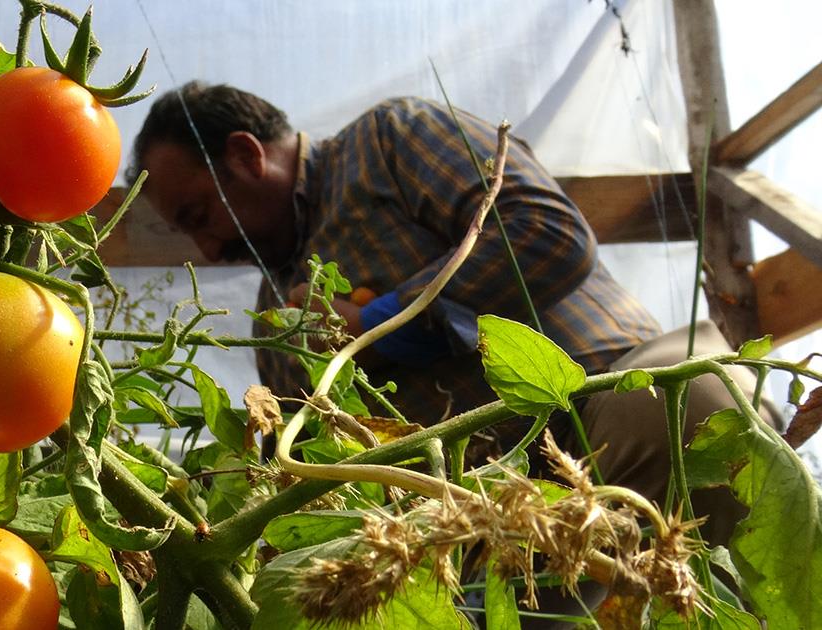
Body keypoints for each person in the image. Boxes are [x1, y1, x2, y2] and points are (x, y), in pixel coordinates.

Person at [127, 82, 775, 624]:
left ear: (244, 155)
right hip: (486, 523)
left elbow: (548, 235)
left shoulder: (387, 141)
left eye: (200, 214)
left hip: (608, 400)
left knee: (686, 410)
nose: (209, 251)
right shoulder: (280, 324)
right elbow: (303, 482)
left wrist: (381, 318)